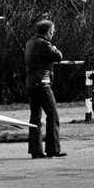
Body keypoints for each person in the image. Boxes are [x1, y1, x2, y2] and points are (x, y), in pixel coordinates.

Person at [25, 18, 65, 158]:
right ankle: (53, 149)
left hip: (31, 82)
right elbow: (58, 56)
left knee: (35, 117)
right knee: (52, 115)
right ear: (48, 32)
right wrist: (53, 47)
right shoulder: (43, 43)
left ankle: (36, 150)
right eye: (53, 32)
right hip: (42, 83)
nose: (53, 34)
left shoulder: (30, 42)